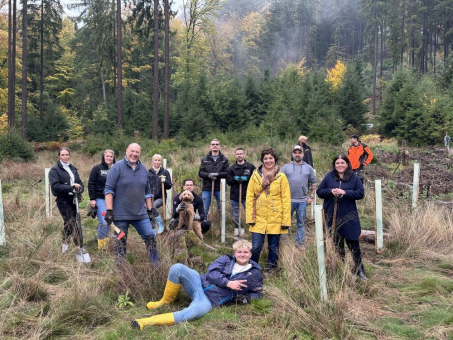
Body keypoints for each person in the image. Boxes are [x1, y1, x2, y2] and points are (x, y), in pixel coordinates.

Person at [131, 239, 263, 330]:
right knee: (177, 268)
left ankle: (145, 322)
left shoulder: (255, 273)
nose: (242, 254)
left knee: (191, 313)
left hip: (209, 300)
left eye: (246, 252)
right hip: (199, 282)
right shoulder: (225, 259)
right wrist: (228, 283)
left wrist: (245, 299)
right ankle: (165, 301)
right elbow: (211, 272)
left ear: (250, 254)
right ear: (235, 253)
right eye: (239, 252)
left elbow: (257, 292)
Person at [104, 143, 159, 263]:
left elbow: (147, 191)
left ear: (140, 153)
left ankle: (156, 266)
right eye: (132, 151)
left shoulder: (143, 169)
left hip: (140, 214)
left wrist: (149, 211)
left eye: (137, 152)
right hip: (120, 215)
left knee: (150, 237)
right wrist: (109, 210)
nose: (134, 154)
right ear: (126, 151)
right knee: (120, 242)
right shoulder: (116, 168)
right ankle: (121, 270)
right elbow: (108, 190)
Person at [316, 155, 367, 280]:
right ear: (334, 165)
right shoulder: (329, 176)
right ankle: (341, 268)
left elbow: (360, 193)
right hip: (332, 215)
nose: (340, 165)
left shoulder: (354, 177)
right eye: (337, 163)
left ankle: (359, 269)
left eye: (342, 163)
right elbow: (320, 191)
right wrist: (330, 191)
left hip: (349, 215)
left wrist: (345, 193)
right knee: (337, 244)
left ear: (347, 164)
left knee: (353, 243)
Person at [245, 147, 291, 272]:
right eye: (266, 158)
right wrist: (250, 217)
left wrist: (286, 220)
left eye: (271, 158)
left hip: (276, 217)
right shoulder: (255, 176)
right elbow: (250, 197)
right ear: (262, 160)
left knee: (273, 247)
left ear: (275, 159)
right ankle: (252, 270)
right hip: (258, 217)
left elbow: (286, 199)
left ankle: (271, 270)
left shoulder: (281, 177)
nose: (268, 161)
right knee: (256, 247)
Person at [49, 147, 85, 253]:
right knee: (71, 221)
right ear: (59, 156)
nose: (65, 157)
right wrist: (71, 187)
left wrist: (80, 188)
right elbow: (55, 187)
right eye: (63, 155)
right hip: (62, 199)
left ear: (69, 155)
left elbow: (80, 183)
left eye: (67, 154)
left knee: (71, 222)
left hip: (73, 199)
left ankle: (67, 246)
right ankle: (76, 246)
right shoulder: (54, 170)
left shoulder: (73, 169)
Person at [282, 145, 317, 247]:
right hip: (287, 200)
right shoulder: (286, 167)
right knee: (285, 223)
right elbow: (279, 182)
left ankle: (300, 243)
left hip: (302, 200)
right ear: (293, 154)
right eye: (295, 153)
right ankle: (283, 243)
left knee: (301, 223)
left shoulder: (308, 168)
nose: (297, 154)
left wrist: (311, 197)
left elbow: (314, 183)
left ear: (302, 154)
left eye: (299, 153)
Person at [88, 149, 116, 250]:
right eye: (107, 156)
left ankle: (106, 244)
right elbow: (91, 184)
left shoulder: (116, 169)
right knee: (104, 222)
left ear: (113, 158)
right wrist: (92, 199)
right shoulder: (97, 169)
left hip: (114, 200)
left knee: (110, 221)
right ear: (103, 157)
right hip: (100, 198)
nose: (109, 158)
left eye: (111, 156)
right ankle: (101, 247)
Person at [226, 147, 256, 238]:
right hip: (235, 196)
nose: (239, 155)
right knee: (236, 215)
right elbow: (229, 182)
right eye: (237, 154)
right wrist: (235, 179)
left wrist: (245, 179)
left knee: (250, 214)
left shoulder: (250, 167)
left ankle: (253, 233)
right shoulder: (231, 168)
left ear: (244, 154)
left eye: (241, 153)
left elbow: (255, 179)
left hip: (247, 195)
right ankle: (238, 233)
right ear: (235, 155)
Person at [198, 139, 229, 215]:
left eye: (217, 144)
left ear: (219, 146)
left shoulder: (224, 160)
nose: (215, 146)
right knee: (204, 207)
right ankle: (203, 224)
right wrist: (208, 175)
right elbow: (200, 173)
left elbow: (227, 173)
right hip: (207, 187)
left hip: (220, 187)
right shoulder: (204, 160)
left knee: (221, 208)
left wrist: (218, 174)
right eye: (213, 144)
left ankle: (222, 225)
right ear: (210, 146)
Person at [148, 154, 172, 233]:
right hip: (150, 197)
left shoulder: (165, 172)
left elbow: (169, 187)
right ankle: (153, 227)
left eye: (159, 160)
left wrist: (165, 182)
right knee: (148, 209)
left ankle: (160, 223)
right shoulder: (148, 172)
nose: (157, 162)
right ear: (152, 161)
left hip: (161, 197)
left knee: (152, 206)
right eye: (155, 160)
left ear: (161, 161)